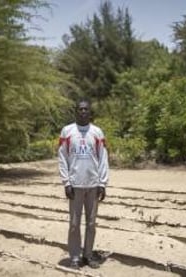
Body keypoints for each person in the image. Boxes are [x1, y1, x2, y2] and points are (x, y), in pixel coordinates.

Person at [58, 99, 109, 269]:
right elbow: (62, 158)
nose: (83, 112)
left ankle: (88, 255)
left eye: (86, 109)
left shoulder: (97, 132)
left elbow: (103, 159)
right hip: (75, 185)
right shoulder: (67, 131)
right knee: (74, 224)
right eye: (80, 109)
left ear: (90, 112)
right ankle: (74, 257)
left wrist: (103, 183)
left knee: (91, 223)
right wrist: (66, 183)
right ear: (76, 112)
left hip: (93, 184)